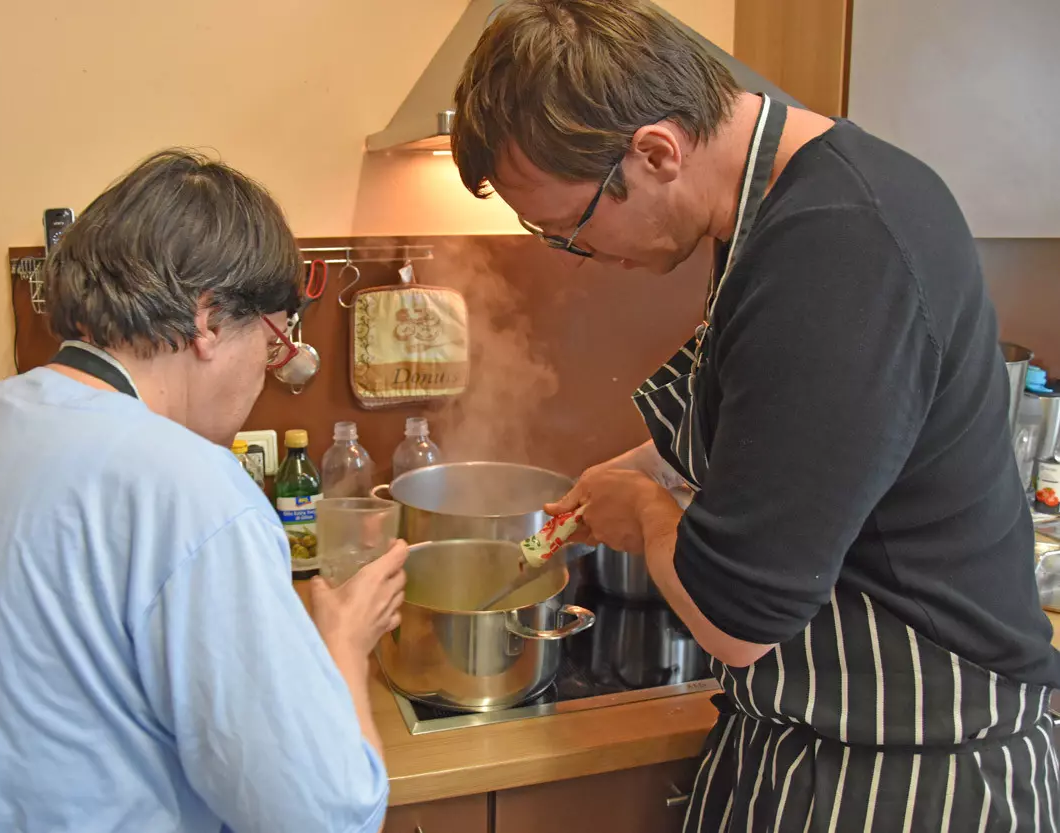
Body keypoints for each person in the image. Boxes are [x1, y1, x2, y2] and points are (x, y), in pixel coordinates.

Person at [450, 1, 1060, 829]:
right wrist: (639, 469)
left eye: (571, 229)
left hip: (910, 765)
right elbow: (780, 430)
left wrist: (648, 511)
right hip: (818, 732)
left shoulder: (839, 250)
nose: (583, 256)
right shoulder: (778, 211)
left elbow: (739, 624)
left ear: (657, 151)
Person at [0, 149, 407, 833]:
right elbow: (331, 817)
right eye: (275, 335)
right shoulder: (193, 490)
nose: (268, 367)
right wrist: (341, 644)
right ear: (208, 319)